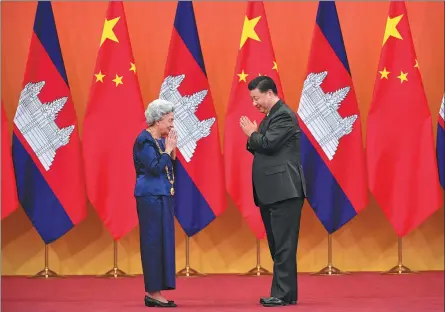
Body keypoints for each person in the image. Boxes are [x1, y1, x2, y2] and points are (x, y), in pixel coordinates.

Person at [239, 76, 306, 307]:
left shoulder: (284, 115)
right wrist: (256, 136)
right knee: (278, 245)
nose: (254, 103)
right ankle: (286, 294)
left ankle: (282, 294)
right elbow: (260, 145)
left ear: (270, 93)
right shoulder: (270, 117)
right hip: (273, 192)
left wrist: (252, 133)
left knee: (283, 244)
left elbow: (267, 144)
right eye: (251, 99)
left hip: (285, 191)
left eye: (256, 98)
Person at [133, 99, 178, 308]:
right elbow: (153, 168)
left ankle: (158, 290)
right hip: (150, 198)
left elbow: (167, 169)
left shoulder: (160, 140)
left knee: (163, 242)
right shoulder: (145, 140)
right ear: (158, 120)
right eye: (169, 120)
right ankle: (153, 292)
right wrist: (168, 151)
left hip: (162, 196)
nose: (171, 124)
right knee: (153, 243)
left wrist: (171, 152)